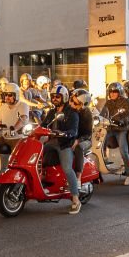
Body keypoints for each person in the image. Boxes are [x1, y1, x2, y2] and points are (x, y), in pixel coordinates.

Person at [41, 85, 82, 214]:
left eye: (57, 96)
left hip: (64, 144)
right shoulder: (52, 112)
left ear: (64, 97)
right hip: (51, 142)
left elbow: (73, 130)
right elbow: (43, 125)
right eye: (53, 96)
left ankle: (75, 199)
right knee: (36, 158)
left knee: (67, 168)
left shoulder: (72, 113)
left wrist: (64, 134)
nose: (55, 99)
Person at [101, 82, 129, 184]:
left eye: (115, 92)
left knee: (123, 150)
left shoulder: (126, 102)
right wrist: (97, 118)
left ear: (119, 92)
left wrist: (122, 121)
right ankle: (103, 161)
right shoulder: (108, 102)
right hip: (110, 129)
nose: (112, 94)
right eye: (111, 92)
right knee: (96, 143)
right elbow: (102, 113)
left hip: (121, 129)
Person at [69, 87, 94, 176]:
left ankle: (78, 176)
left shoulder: (87, 114)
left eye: (75, 103)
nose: (71, 104)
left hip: (85, 140)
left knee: (78, 148)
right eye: (71, 100)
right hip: (71, 137)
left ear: (83, 105)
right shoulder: (69, 110)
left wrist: (78, 140)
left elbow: (88, 134)